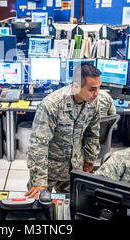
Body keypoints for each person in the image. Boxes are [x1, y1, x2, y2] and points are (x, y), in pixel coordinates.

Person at [26, 63, 102, 198]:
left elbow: (92, 132)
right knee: (38, 207)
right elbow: (38, 144)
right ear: (76, 86)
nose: (97, 93)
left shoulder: (93, 102)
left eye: (98, 88)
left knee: (72, 207)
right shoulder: (52, 105)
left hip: (74, 167)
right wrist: (39, 181)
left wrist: (90, 158)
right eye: (92, 89)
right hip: (48, 169)